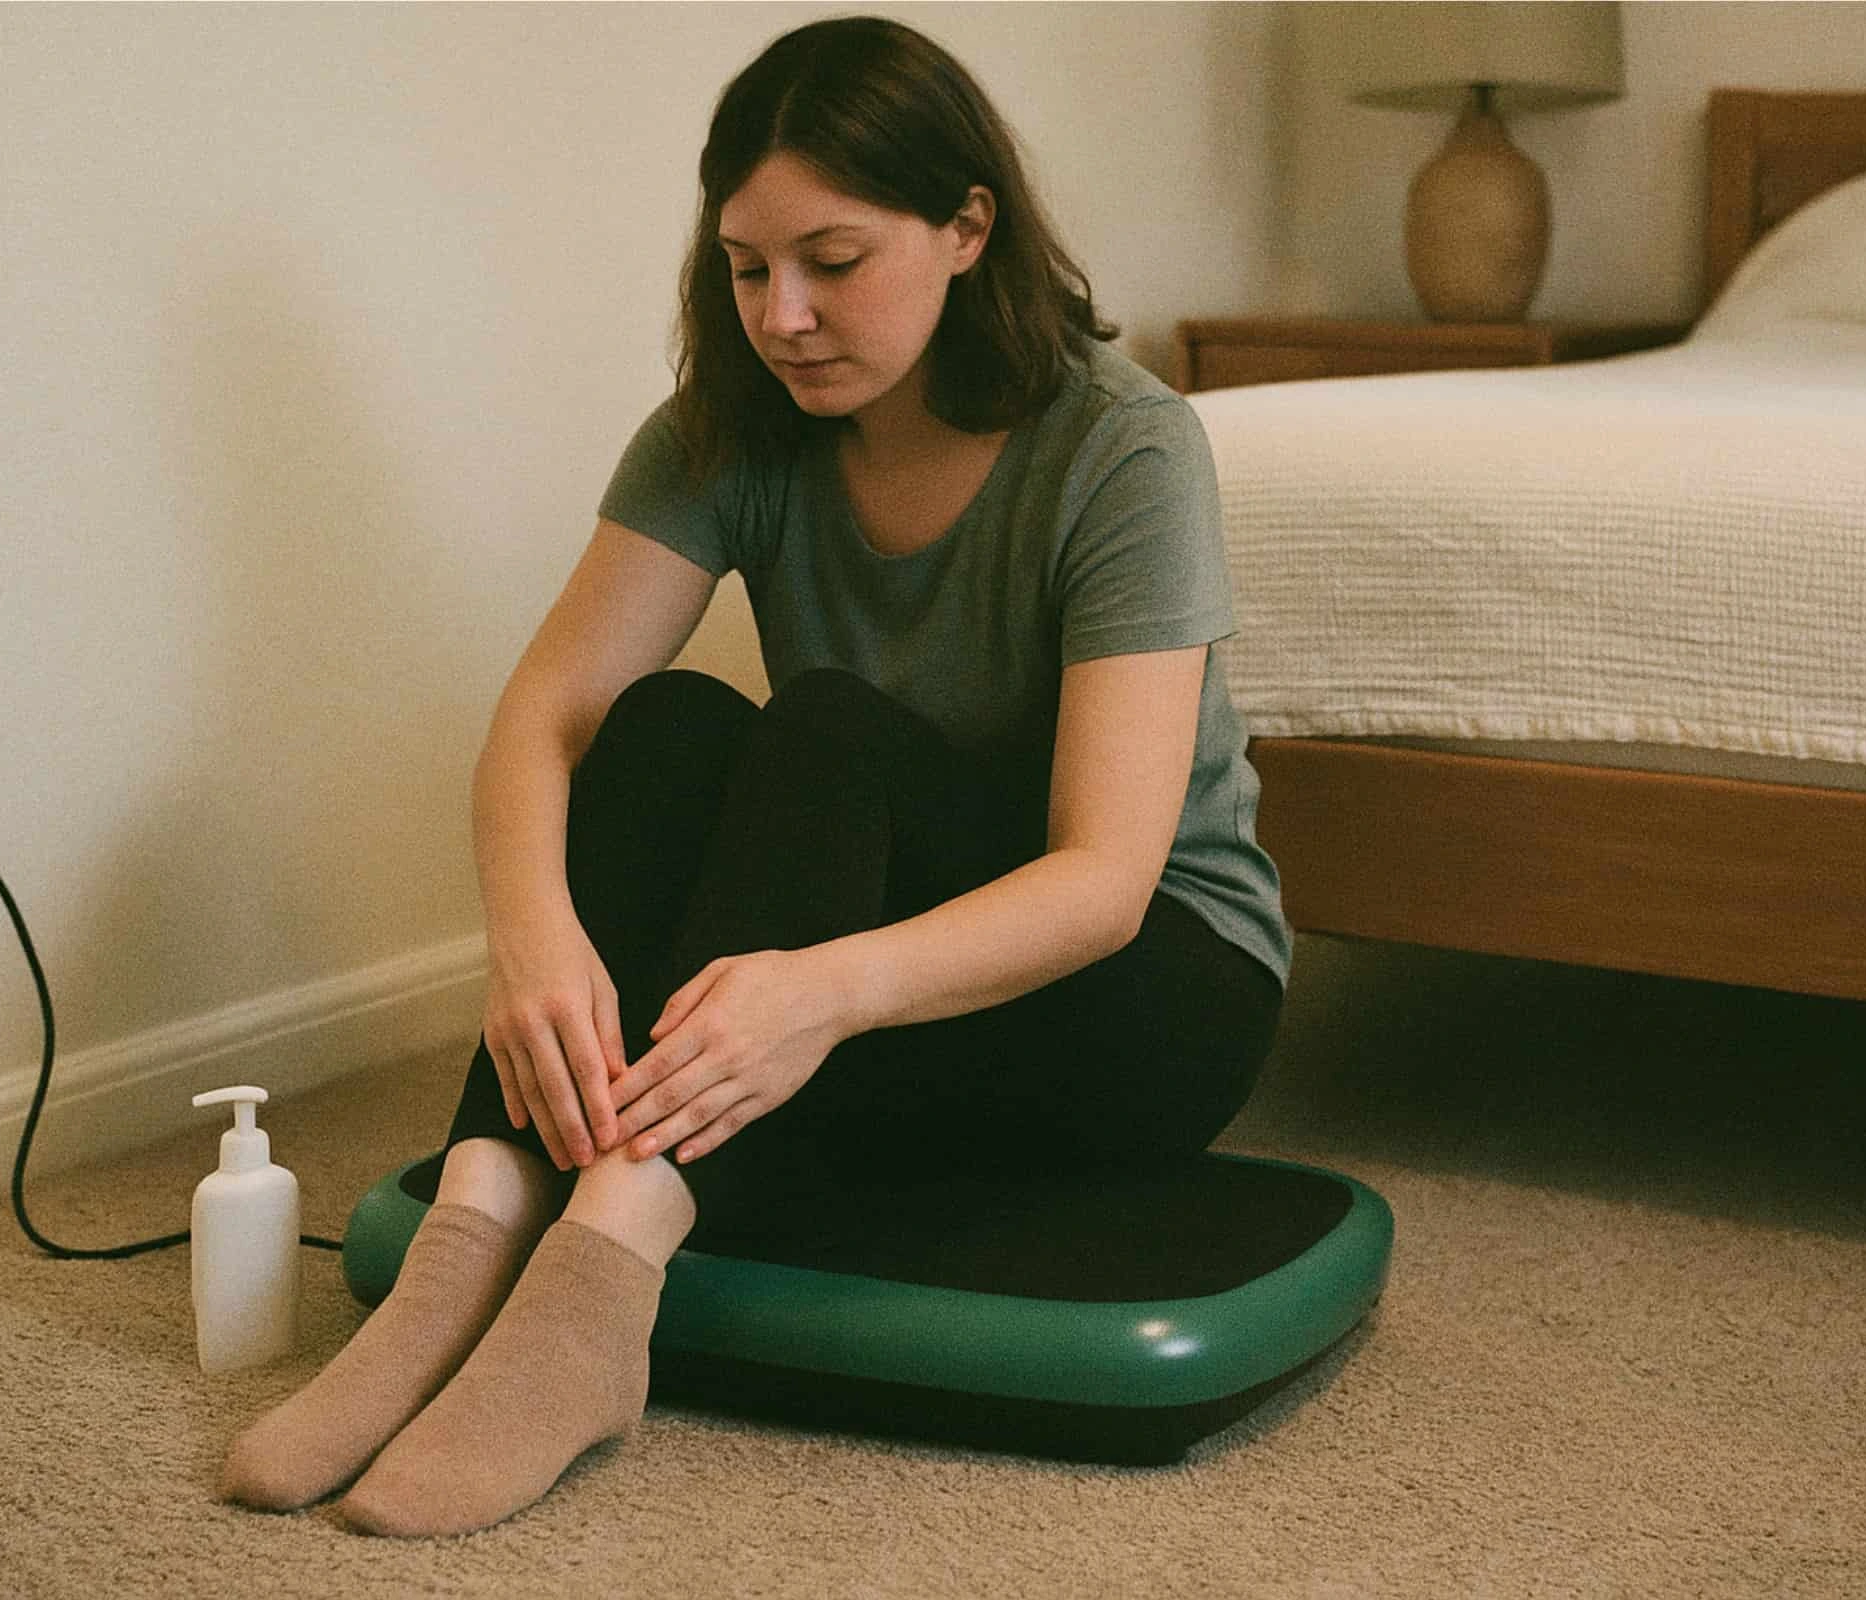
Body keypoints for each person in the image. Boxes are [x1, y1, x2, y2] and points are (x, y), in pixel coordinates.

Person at [216, 14, 1289, 1537]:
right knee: (665, 724)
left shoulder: (1125, 448)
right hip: (870, 946)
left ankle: (596, 1288)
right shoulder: (734, 429)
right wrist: (529, 947)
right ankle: (473, 1238)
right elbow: (545, 719)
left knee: (828, 719)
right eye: (745, 266)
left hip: (1145, 994)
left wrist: (823, 992)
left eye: (833, 262)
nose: (783, 315)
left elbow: (1106, 883)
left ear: (967, 226)